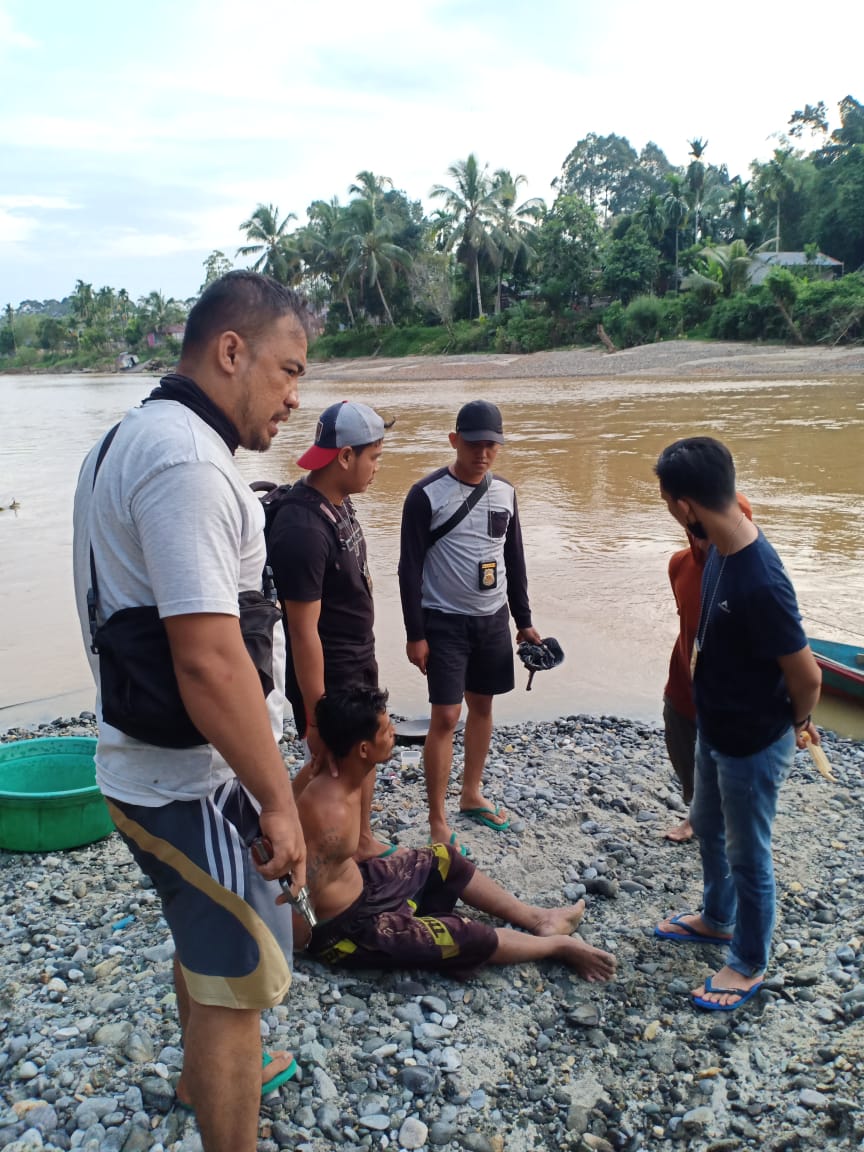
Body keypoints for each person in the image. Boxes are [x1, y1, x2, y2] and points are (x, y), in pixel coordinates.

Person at [72, 272, 311, 1152]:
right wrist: (279, 801)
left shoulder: (127, 438)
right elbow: (211, 662)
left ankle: (194, 1081)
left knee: (205, 945)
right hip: (186, 781)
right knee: (239, 981)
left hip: (147, 763)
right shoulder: (187, 463)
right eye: (288, 370)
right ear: (231, 352)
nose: (295, 397)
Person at [653, 437, 822, 1012]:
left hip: (753, 741)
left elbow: (807, 676)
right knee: (706, 822)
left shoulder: (760, 580)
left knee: (750, 854)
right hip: (714, 729)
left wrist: (798, 722)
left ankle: (749, 959)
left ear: (684, 506)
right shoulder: (719, 547)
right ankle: (717, 917)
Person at [293, 686, 617, 982]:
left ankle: (538, 919)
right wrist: (296, 946)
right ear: (363, 749)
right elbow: (299, 887)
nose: (394, 733)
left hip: (362, 885)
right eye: (386, 730)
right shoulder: (330, 815)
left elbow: (287, 802)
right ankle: (557, 946)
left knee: (444, 857)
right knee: (462, 937)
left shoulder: (333, 766)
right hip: (352, 930)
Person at [398, 400, 542, 852]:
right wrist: (415, 633)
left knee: (483, 707)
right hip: (443, 622)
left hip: (493, 619)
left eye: (492, 446)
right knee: (445, 716)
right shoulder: (425, 495)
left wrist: (524, 621)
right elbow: (408, 568)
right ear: (454, 441)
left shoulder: (505, 493)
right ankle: (437, 817)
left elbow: (514, 559)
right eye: (475, 444)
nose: (483, 454)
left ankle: (471, 793)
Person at [267, 400, 395, 859]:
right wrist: (316, 717)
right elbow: (302, 631)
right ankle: (316, 857)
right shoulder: (302, 526)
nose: (377, 468)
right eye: (374, 457)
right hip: (330, 676)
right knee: (330, 768)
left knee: (362, 758)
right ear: (344, 456)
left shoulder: (336, 505)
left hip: (357, 659)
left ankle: (359, 840)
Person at [662, 493, 752, 843]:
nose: (704, 537)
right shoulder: (678, 565)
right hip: (683, 685)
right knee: (685, 758)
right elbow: (687, 621)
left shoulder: (752, 575)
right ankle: (697, 815)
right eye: (698, 528)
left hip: (732, 699)